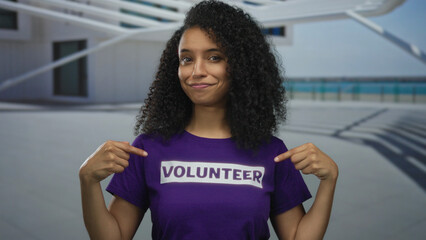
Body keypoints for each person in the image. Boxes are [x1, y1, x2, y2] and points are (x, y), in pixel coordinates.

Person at [79, 1, 338, 239]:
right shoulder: (148, 149)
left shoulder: (272, 152)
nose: (197, 71)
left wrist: (329, 181)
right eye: (187, 59)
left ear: (241, 66)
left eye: (214, 57)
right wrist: (88, 180)